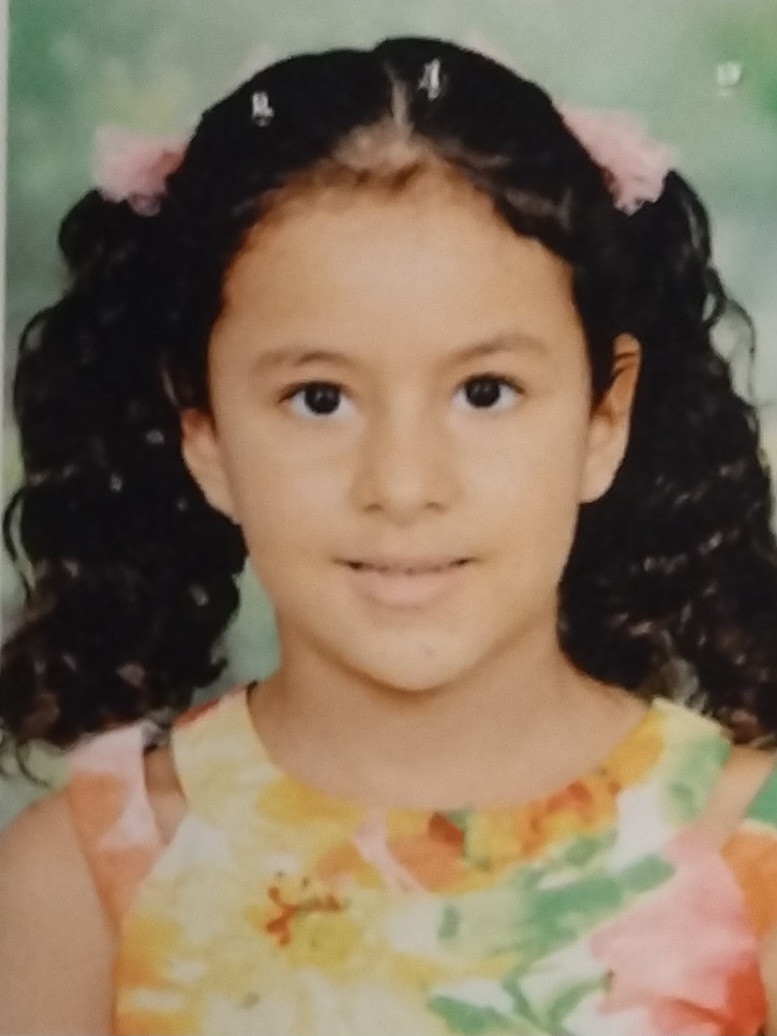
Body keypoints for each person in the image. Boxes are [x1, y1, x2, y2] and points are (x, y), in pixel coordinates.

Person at [1, 35, 777, 1036]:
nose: (403, 486)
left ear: (604, 418)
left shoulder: (750, 853)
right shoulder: (81, 882)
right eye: (319, 398)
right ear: (204, 433)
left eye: (485, 391)